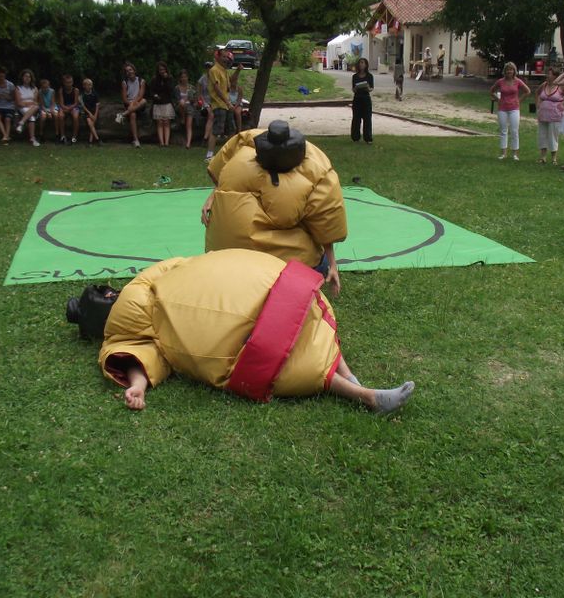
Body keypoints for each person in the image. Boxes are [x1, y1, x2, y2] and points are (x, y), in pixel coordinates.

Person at [95, 249, 415, 415]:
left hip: (242, 291)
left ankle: (353, 379)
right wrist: (138, 386)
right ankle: (366, 396)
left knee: (309, 315)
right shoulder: (127, 325)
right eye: (107, 297)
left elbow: (197, 266)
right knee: (293, 349)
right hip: (232, 333)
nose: (112, 294)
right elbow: (144, 355)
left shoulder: (149, 280)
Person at [201, 120, 347, 297]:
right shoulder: (318, 172)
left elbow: (222, 172)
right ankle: (284, 289)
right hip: (279, 266)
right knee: (319, 261)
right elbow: (326, 223)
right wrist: (332, 265)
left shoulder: (242, 150)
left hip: (225, 255)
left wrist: (215, 193)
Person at [490, 61, 530, 161]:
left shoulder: (518, 81)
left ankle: (515, 153)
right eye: (508, 69)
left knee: (514, 130)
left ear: (514, 71)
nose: (509, 71)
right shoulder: (500, 81)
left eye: (511, 69)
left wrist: (519, 100)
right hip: (502, 108)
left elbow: (527, 91)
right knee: (503, 130)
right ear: (505, 71)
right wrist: (498, 99)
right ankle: (503, 153)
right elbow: (491, 91)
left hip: (514, 108)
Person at [534, 66, 564, 164]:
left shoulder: (560, 86)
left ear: (555, 76)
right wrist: (538, 105)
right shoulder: (544, 85)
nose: (547, 75)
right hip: (543, 114)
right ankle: (543, 157)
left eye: (549, 74)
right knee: (542, 135)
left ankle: (554, 158)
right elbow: (537, 93)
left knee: (553, 136)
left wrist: (563, 105)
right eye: (547, 73)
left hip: (555, 115)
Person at [205, 50, 232, 161]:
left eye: (227, 57)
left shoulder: (224, 70)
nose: (226, 59)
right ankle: (209, 155)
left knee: (231, 128)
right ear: (218, 57)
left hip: (226, 104)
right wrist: (227, 102)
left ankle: (229, 153)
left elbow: (228, 87)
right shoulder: (214, 70)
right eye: (224, 57)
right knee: (217, 129)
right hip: (219, 104)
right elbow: (217, 89)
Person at [118, 62, 145, 148]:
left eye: (130, 70)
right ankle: (136, 140)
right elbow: (124, 99)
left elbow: (141, 95)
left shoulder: (141, 81)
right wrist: (131, 104)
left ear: (134, 70)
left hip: (138, 103)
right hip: (128, 104)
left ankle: (123, 114)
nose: (129, 72)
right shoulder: (124, 82)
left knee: (144, 101)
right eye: (127, 71)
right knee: (133, 114)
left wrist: (133, 103)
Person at [149, 61, 175, 147]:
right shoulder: (154, 79)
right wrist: (155, 96)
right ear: (158, 70)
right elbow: (151, 91)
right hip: (158, 103)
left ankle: (166, 142)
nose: (162, 71)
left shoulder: (170, 78)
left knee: (166, 122)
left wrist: (166, 79)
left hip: (167, 102)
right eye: (160, 70)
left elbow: (171, 90)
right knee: (159, 122)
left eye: (163, 69)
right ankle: (161, 142)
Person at [0, 66, 17, 144]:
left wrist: (8, 97)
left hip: (9, 106)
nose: (1, 75)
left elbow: (14, 97)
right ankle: (5, 135)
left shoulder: (10, 85)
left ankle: (6, 135)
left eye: (3, 73)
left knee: (7, 119)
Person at [351, 57, 374, 143]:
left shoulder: (369, 76)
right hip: (357, 98)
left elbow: (371, 88)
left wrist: (368, 87)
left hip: (366, 98)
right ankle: (355, 137)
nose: (361, 64)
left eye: (363, 63)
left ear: (366, 65)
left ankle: (368, 138)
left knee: (367, 118)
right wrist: (356, 88)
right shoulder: (355, 76)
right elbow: (353, 89)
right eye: (360, 63)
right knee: (356, 119)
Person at [14, 69, 40, 147]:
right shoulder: (18, 88)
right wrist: (28, 103)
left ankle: (21, 123)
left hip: (32, 108)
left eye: (29, 77)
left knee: (36, 107)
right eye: (25, 76)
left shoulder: (35, 89)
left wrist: (26, 103)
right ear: (22, 77)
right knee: (31, 118)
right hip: (22, 108)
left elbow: (35, 102)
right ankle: (32, 138)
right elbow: (19, 103)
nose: (27, 78)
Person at [175, 69, 197, 149]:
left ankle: (188, 143)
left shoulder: (191, 87)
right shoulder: (177, 88)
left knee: (189, 125)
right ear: (180, 78)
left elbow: (194, 100)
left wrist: (192, 101)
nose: (184, 78)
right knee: (182, 103)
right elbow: (177, 99)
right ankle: (182, 118)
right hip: (180, 107)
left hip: (189, 107)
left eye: (185, 77)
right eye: (182, 77)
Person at [57, 74, 81, 145]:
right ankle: (62, 136)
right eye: (67, 82)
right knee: (60, 116)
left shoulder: (76, 90)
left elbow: (76, 103)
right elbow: (61, 103)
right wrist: (66, 108)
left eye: (70, 82)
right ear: (64, 83)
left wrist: (70, 108)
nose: (69, 84)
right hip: (64, 106)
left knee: (75, 117)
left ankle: (74, 136)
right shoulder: (61, 90)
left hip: (73, 106)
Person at [80, 78, 101, 146]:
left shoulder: (95, 94)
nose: (89, 86)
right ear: (84, 86)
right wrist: (90, 114)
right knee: (90, 123)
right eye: (87, 85)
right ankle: (98, 139)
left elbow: (97, 105)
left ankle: (90, 141)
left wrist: (95, 115)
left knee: (92, 124)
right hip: (87, 112)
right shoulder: (82, 95)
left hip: (94, 112)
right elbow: (84, 107)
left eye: (90, 85)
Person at [37, 78, 58, 143]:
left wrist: (51, 112)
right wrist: (47, 113)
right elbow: (42, 105)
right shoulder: (40, 92)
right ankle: (41, 134)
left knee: (56, 115)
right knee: (43, 117)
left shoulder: (52, 91)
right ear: (41, 87)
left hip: (52, 106)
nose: (45, 89)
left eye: (47, 87)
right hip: (44, 107)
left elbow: (53, 103)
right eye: (44, 87)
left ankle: (57, 134)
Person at [228, 67, 244, 135]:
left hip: (238, 104)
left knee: (237, 113)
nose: (234, 83)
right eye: (233, 81)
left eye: (236, 81)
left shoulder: (239, 89)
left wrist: (236, 106)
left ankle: (239, 130)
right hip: (230, 104)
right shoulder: (227, 89)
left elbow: (239, 99)